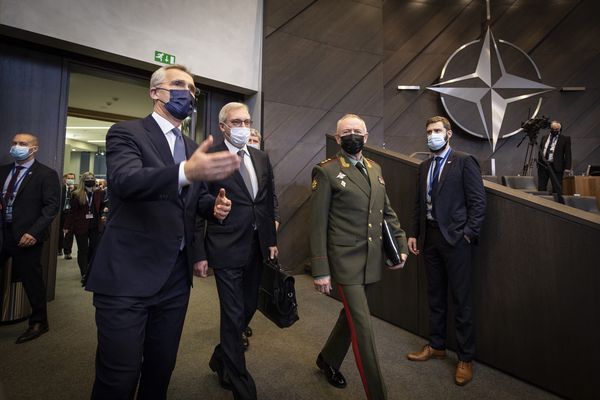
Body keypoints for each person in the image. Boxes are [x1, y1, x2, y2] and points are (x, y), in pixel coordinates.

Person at [85, 64, 240, 399]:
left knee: (160, 369)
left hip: (174, 279)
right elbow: (127, 182)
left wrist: (212, 207)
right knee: (119, 378)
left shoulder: (190, 144)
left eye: (193, 88)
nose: (189, 92)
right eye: (179, 84)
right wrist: (185, 170)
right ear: (156, 92)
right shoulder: (126, 133)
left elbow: (189, 201)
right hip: (127, 277)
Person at [310, 114, 407, 400]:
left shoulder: (375, 168)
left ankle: (328, 358)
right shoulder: (326, 171)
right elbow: (317, 225)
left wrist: (399, 246)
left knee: (351, 316)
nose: (352, 135)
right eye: (345, 132)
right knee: (363, 328)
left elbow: (386, 212)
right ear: (338, 139)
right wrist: (320, 270)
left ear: (365, 137)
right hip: (344, 261)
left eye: (357, 131)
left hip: (371, 260)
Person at [195, 102, 278, 400]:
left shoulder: (261, 156)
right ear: (223, 126)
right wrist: (199, 252)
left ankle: (220, 358)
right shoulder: (208, 157)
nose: (243, 126)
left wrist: (270, 239)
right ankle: (242, 387)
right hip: (225, 247)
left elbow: (266, 202)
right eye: (236, 121)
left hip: (256, 247)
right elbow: (197, 204)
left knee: (249, 306)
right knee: (232, 316)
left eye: (247, 121)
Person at [406, 116, 486, 386]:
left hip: (456, 241)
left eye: (437, 131)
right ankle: (437, 345)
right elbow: (418, 204)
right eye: (429, 131)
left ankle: (465, 357)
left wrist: (467, 235)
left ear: (449, 134)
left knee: (461, 300)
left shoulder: (464, 161)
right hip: (429, 239)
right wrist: (414, 233)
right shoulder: (424, 166)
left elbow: (478, 203)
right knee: (435, 295)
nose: (432, 135)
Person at [0, 132, 60, 343]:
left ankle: (39, 322)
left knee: (31, 280)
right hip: (2, 232)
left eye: (23, 144)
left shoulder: (46, 174)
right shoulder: (4, 171)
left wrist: (33, 232)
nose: (17, 146)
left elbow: (51, 207)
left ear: (34, 148)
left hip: (26, 236)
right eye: (14, 142)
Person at [64, 172, 105, 285]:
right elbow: (72, 212)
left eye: (92, 178)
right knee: (83, 250)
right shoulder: (76, 194)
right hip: (80, 226)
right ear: (83, 180)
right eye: (87, 178)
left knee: (94, 248)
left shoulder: (99, 193)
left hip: (95, 226)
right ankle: (84, 273)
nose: (90, 180)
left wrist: (103, 215)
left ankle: (91, 270)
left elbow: (102, 207)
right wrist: (67, 226)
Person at [537, 120, 571, 192]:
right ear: (550, 129)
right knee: (541, 188)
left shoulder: (564, 139)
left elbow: (568, 155)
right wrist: (539, 162)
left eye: (556, 130)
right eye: (553, 129)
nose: (554, 131)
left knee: (557, 189)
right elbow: (540, 150)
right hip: (543, 166)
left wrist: (567, 168)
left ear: (560, 130)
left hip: (556, 167)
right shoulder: (544, 137)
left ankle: (556, 203)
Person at [58, 172, 75, 259]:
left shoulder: (76, 190)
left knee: (69, 233)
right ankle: (59, 249)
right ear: (65, 179)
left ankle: (67, 252)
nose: (70, 180)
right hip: (61, 212)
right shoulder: (61, 188)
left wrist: (72, 191)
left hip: (71, 214)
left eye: (72, 178)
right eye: (69, 178)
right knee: (59, 232)